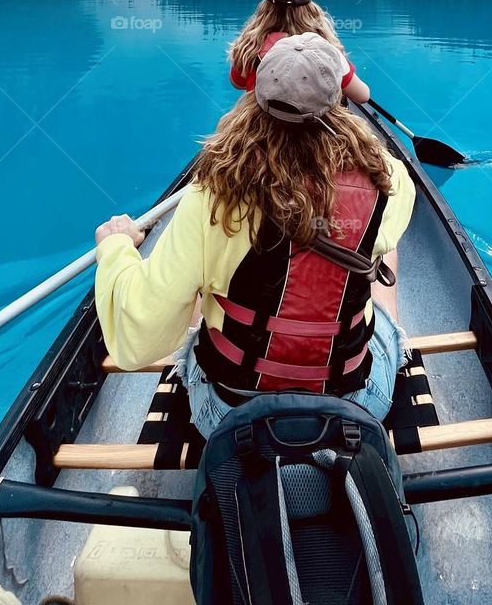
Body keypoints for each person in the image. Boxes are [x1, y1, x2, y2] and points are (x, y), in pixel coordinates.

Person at [94, 33, 414, 437]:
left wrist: (117, 248)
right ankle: (393, 333)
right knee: (380, 260)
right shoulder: (389, 182)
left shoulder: (209, 195)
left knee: (203, 286)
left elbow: (137, 338)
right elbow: (381, 205)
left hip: (231, 414)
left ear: (256, 99)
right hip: (356, 403)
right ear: (338, 104)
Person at [228, 0, 371, 103]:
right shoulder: (327, 50)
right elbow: (362, 96)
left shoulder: (251, 47)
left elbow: (237, 83)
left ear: (265, 9)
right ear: (310, 10)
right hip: (313, 127)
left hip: (260, 125)